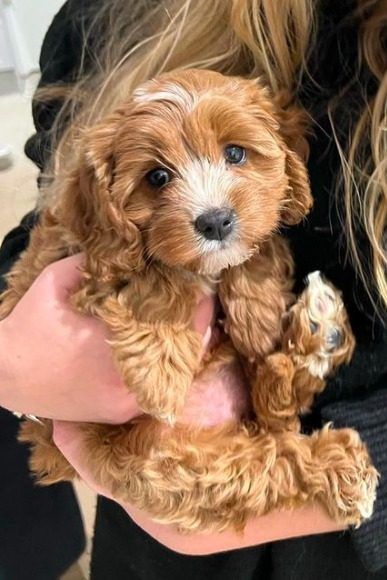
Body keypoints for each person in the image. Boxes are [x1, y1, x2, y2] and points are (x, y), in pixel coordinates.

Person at [0, 0, 386, 578]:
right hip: (145, 533)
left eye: (236, 155)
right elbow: (44, 234)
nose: (211, 208)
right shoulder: (105, 19)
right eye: (158, 178)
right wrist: (15, 361)